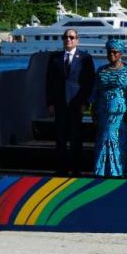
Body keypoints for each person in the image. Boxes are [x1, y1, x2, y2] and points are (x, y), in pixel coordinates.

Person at [45, 29, 96, 175]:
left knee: (75, 138)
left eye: (71, 37)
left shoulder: (85, 58)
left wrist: (85, 103)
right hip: (59, 103)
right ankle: (61, 169)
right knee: (60, 138)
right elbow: (49, 81)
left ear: (77, 40)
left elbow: (89, 82)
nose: (68, 39)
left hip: (76, 103)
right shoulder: (55, 58)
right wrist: (50, 103)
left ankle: (75, 168)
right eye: (66, 37)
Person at [91, 39, 127, 178]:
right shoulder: (101, 70)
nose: (111, 54)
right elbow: (95, 91)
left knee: (117, 141)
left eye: (114, 52)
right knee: (102, 141)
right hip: (103, 111)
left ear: (120, 53)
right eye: (109, 52)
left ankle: (117, 171)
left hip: (120, 113)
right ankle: (100, 171)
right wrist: (93, 109)